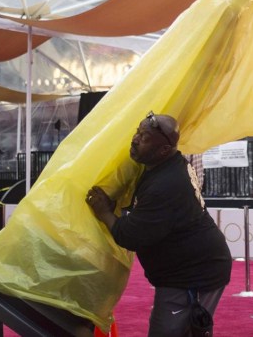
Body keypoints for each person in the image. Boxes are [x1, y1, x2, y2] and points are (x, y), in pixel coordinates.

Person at [86, 112, 231, 337]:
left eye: (144, 138)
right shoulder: (167, 165)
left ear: (163, 149)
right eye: (137, 132)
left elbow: (130, 236)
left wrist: (104, 211)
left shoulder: (166, 184)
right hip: (192, 268)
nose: (135, 139)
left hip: (193, 274)